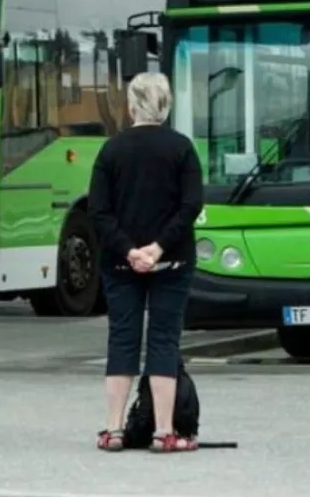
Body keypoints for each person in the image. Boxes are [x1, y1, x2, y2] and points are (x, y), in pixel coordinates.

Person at [88, 72, 203, 453]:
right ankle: (164, 431)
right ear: (166, 106)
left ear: (130, 107)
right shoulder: (182, 148)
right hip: (172, 262)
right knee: (163, 339)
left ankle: (113, 428)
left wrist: (129, 250)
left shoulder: (111, 150)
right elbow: (191, 205)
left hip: (120, 264)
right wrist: (158, 248)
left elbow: (99, 211)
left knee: (122, 337)